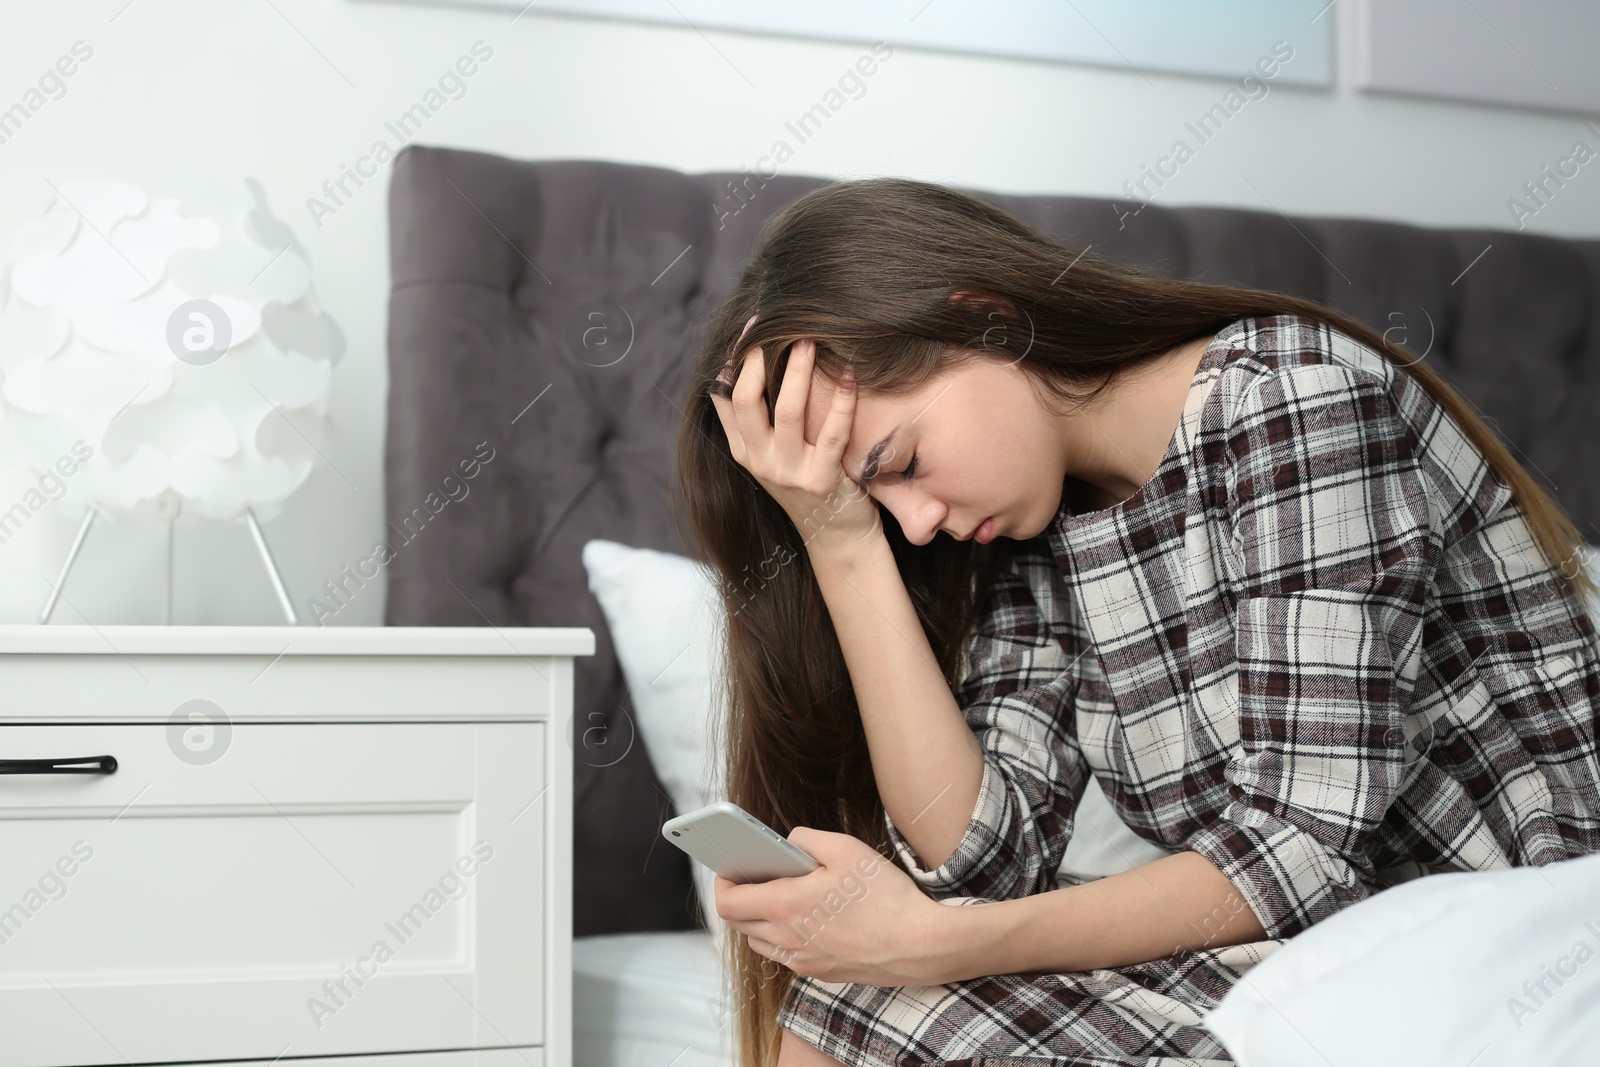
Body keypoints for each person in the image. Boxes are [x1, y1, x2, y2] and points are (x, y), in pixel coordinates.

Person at [673, 177, 1600, 1067]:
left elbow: (1300, 852)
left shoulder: (1291, 398)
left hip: (1504, 943)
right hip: (1320, 960)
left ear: (989, 318)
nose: (916, 522)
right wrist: (841, 539)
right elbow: (984, 858)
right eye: (883, 502)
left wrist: (939, 943)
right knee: (850, 1002)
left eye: (903, 462)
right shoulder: (1041, 523)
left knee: (894, 998)